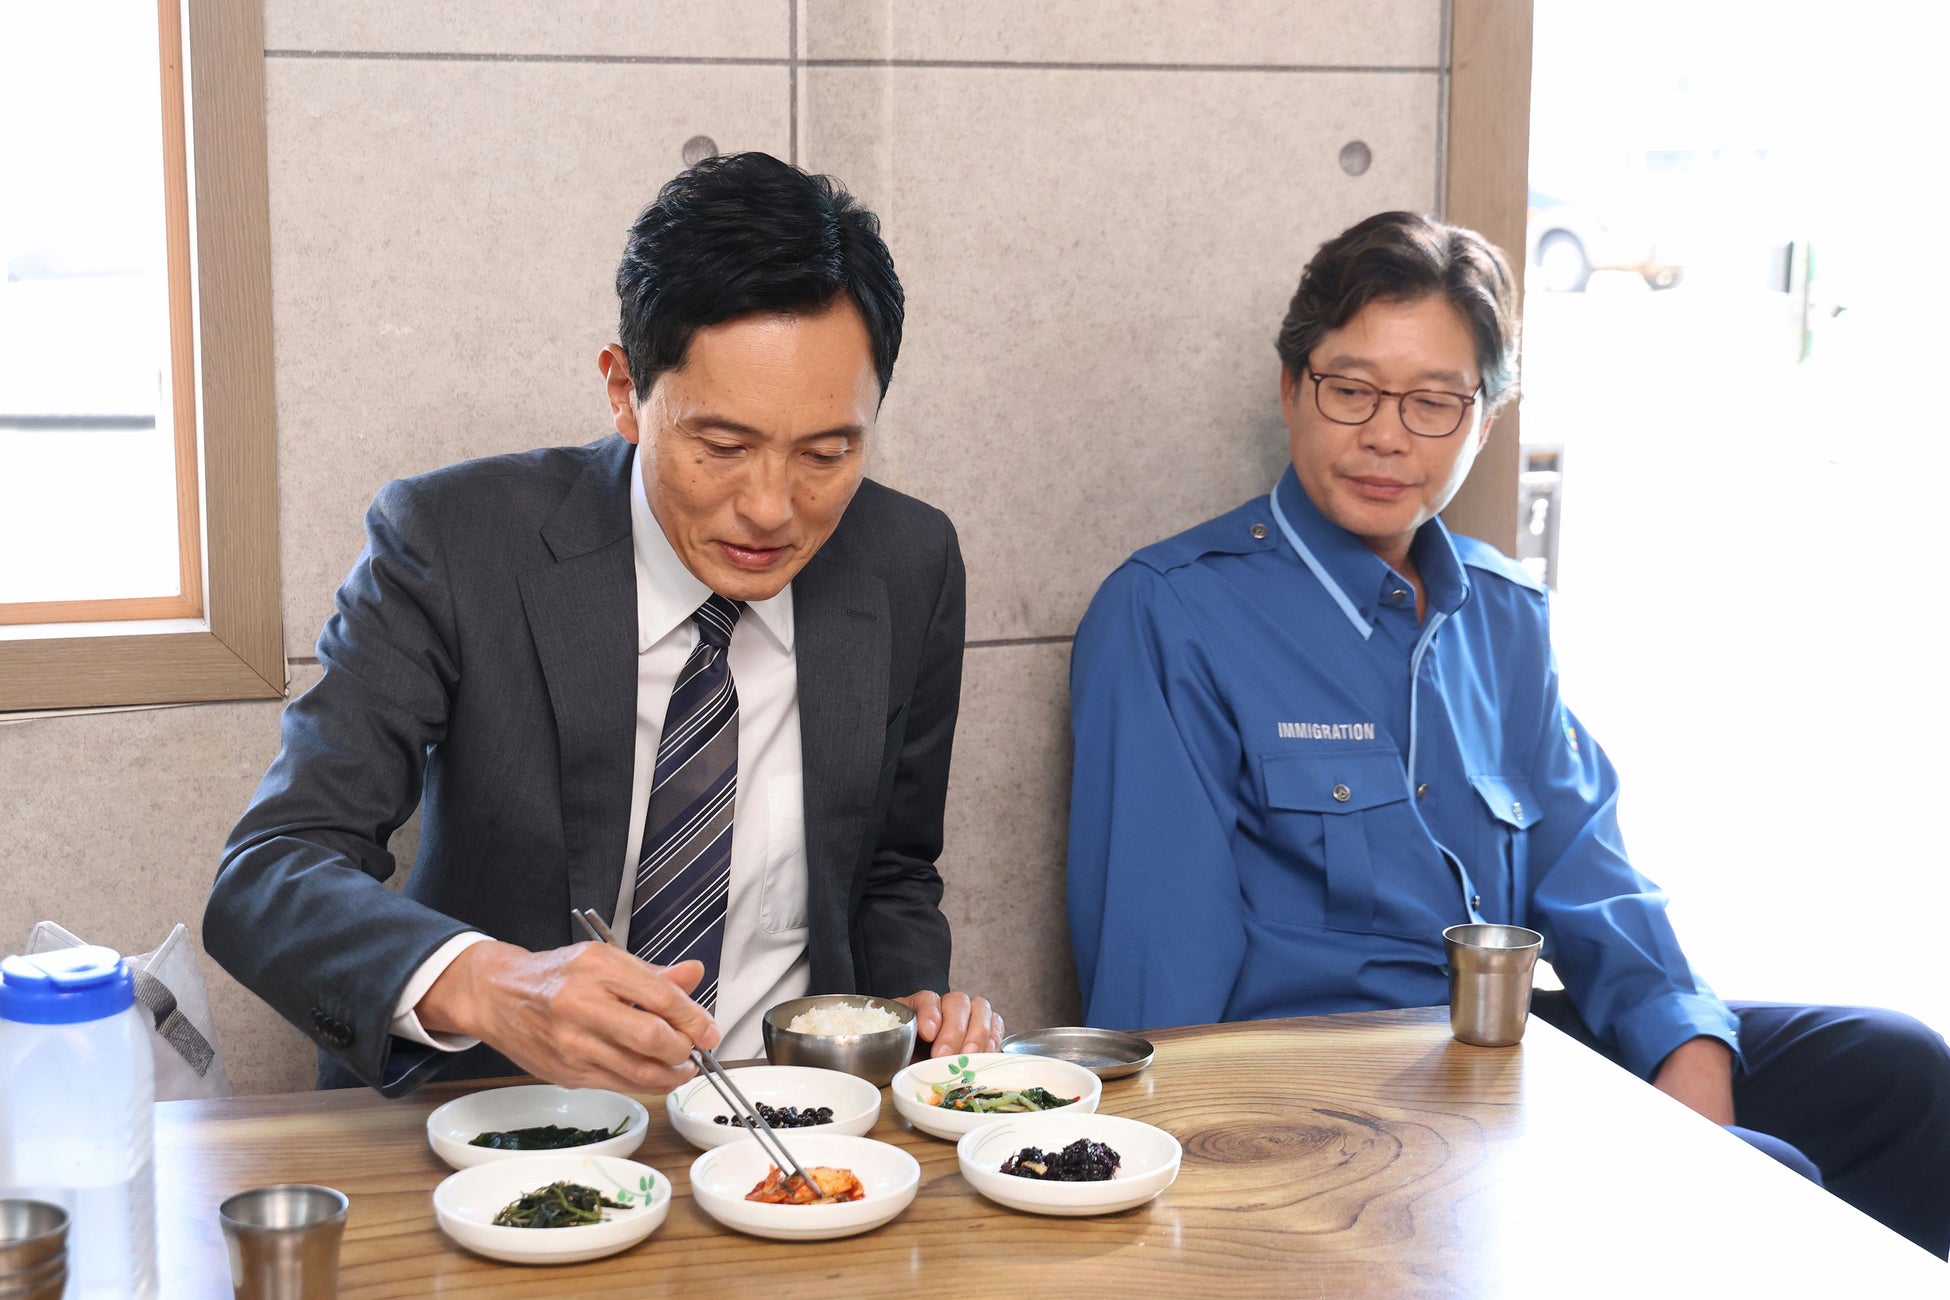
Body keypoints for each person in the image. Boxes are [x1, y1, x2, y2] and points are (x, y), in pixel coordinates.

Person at [1065, 210, 1950, 1254]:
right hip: (1336, 1108)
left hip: (1509, 1058)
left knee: (1898, 1069)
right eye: (1351, 389)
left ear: (1484, 421)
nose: (1387, 435)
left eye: (1434, 402)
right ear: (1291, 386)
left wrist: (1686, 1048)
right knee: (1772, 1187)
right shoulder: (1172, 610)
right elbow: (1160, 991)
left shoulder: (1503, 610)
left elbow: (1588, 870)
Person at [207, 152, 1000, 1099]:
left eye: (826, 454)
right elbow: (271, 870)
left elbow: (891, 869)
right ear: (624, 390)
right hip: (497, 1123)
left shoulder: (907, 562)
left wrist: (912, 1016)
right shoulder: (455, 543)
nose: (771, 508)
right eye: (723, 445)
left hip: (784, 1128)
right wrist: (488, 985)